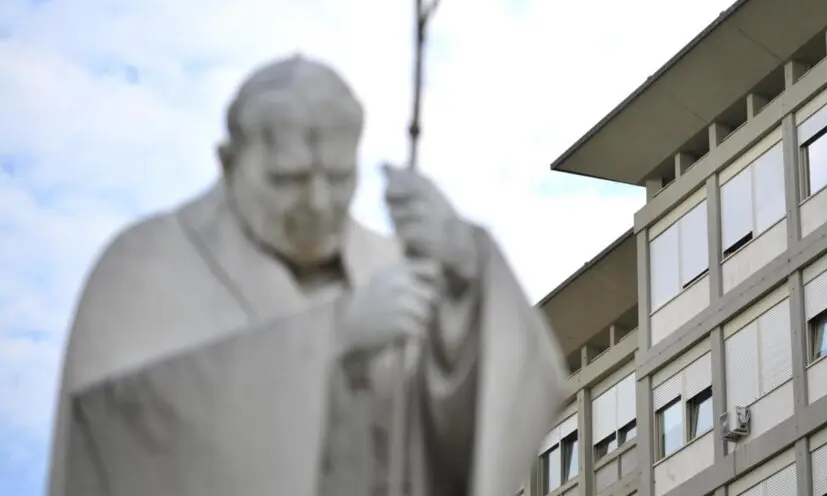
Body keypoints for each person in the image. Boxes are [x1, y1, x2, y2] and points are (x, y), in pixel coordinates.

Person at [47, 55, 565, 496]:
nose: (318, 203)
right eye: (288, 179)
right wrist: (333, 337)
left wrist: (466, 273)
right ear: (228, 162)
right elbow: (120, 435)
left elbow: (472, 441)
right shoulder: (146, 265)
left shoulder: (386, 268)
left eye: (338, 177)